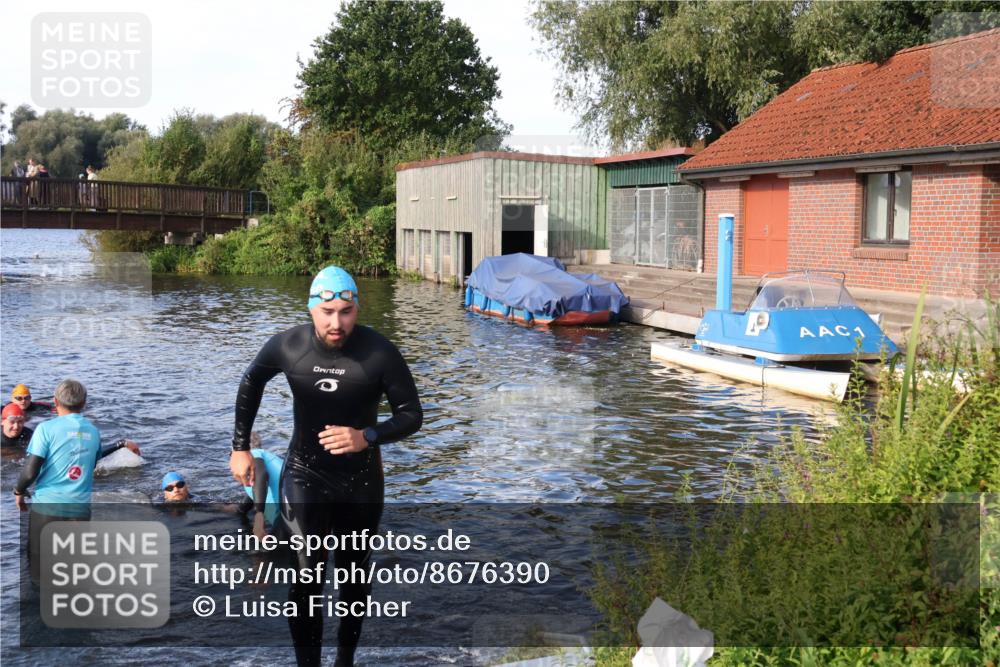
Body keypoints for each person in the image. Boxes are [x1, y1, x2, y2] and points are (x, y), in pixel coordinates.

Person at [229, 265, 423, 667]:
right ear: (312, 309)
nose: (337, 322)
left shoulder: (379, 352)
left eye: (346, 312)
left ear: (357, 308)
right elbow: (252, 382)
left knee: (354, 577)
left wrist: (366, 436)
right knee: (306, 576)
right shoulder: (289, 346)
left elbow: (411, 414)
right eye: (328, 312)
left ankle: (345, 661)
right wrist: (240, 447)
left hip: (362, 480)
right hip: (305, 475)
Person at [13, 379, 141, 580]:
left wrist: (19, 491)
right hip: (79, 510)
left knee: (38, 569)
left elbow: (30, 472)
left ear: (55, 402)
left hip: (48, 508)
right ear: (84, 403)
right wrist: (120, 444)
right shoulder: (93, 431)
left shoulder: (45, 429)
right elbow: (93, 461)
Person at [237, 431, 284, 539]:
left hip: (289, 516)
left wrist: (259, 515)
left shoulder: (254, 454)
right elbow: (243, 507)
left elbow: (260, 476)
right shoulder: (256, 483)